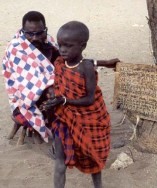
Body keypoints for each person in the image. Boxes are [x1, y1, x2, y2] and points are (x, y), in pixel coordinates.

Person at [2, 11, 119, 145]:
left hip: (52, 89)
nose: (34, 38)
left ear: (45, 30)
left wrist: (103, 62)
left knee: (75, 87)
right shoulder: (16, 49)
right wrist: (53, 88)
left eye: (39, 33)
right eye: (29, 34)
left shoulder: (50, 43)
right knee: (56, 94)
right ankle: (54, 131)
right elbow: (27, 84)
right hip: (26, 98)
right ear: (22, 31)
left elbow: (72, 61)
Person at [43, 21, 111, 188]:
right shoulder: (60, 62)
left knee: (93, 157)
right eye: (60, 45)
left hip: (88, 121)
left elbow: (90, 99)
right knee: (59, 162)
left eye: (68, 46)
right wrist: (54, 101)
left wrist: (64, 100)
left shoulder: (86, 68)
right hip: (63, 118)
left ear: (82, 46)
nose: (63, 49)